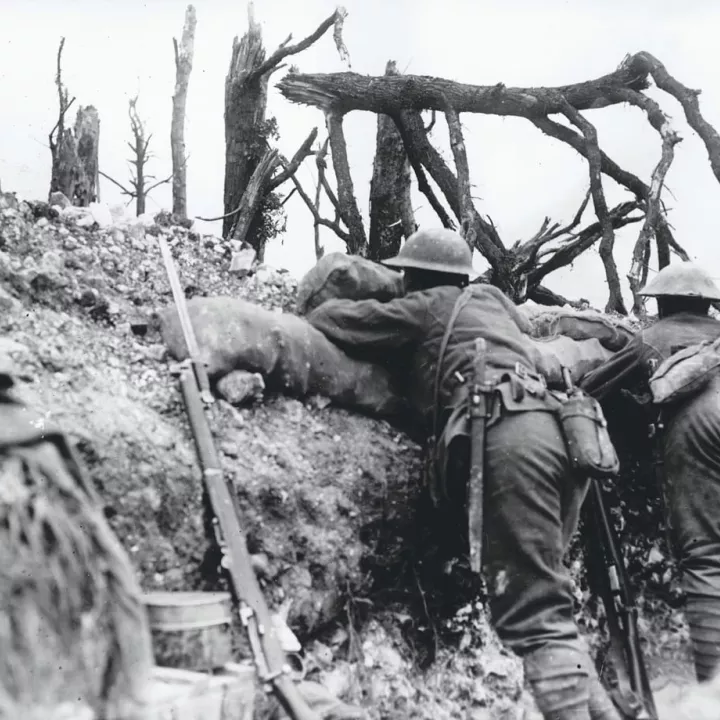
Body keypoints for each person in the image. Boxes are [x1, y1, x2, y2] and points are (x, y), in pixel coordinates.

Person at [307, 227, 620, 720]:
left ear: (413, 275)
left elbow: (333, 320)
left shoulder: (425, 305)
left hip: (508, 440)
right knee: (550, 604)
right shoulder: (492, 302)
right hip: (562, 434)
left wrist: (386, 290)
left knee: (535, 617)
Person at [580, 261, 720, 684]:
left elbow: (592, 390)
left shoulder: (651, 339)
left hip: (701, 427)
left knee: (707, 557)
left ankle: (713, 691)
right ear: (710, 307)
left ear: (660, 303)